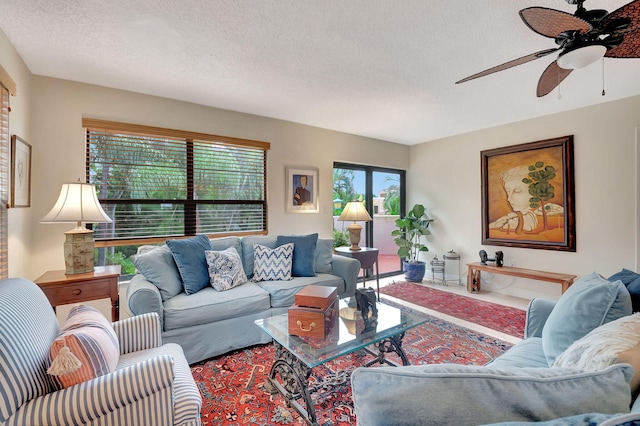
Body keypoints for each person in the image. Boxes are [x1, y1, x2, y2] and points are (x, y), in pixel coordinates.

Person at [489, 165, 563, 233]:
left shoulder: (535, 217)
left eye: (517, 191)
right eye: (508, 191)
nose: (509, 198)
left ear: (533, 192)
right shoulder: (512, 216)